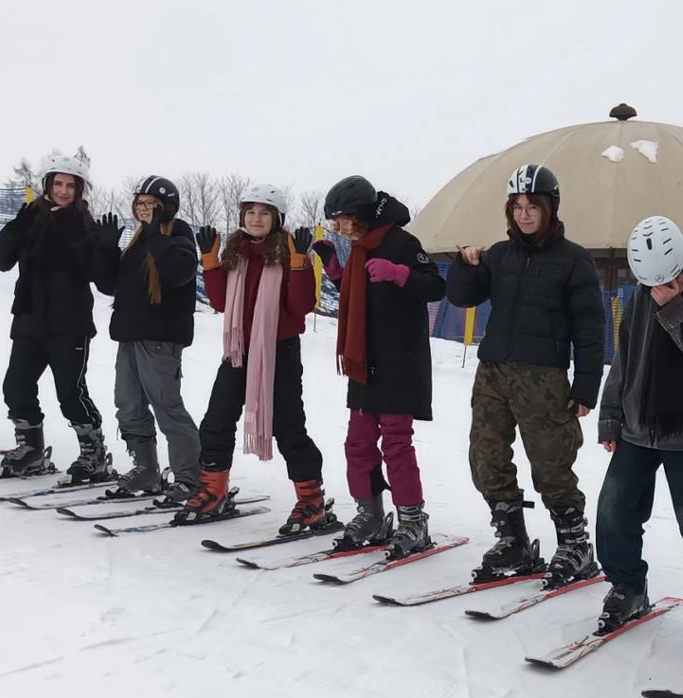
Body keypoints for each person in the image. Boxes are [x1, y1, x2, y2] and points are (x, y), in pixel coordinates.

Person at [447, 164, 604, 587]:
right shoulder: (499, 255)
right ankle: (513, 541)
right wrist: (465, 266)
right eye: (516, 207)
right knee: (486, 456)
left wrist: (586, 386)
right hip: (493, 373)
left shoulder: (574, 261)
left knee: (552, 462)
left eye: (533, 206)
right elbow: (461, 296)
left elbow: (591, 329)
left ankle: (575, 545)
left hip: (544, 378)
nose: (524, 214)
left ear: (550, 208)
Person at [594, 216, 683, 651]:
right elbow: (625, 360)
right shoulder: (641, 293)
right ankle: (628, 587)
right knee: (614, 511)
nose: (658, 288)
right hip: (637, 427)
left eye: (667, 280)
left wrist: (674, 308)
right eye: (652, 283)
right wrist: (611, 416)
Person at [177, 184, 335, 533]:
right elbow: (220, 302)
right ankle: (213, 490)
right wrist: (210, 262)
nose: (256, 218)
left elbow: (301, 306)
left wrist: (298, 264)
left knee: (288, 427)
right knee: (216, 420)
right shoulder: (236, 252)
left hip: (279, 351)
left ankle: (311, 499)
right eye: (250, 212)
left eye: (264, 213)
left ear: (277, 218)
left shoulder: (290, 252)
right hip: (238, 349)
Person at [310, 176, 445, 559]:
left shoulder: (403, 243)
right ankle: (369, 514)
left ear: (364, 213)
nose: (340, 228)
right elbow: (362, 296)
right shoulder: (360, 248)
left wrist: (400, 274)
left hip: (399, 361)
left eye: (344, 220)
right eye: (336, 222)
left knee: (396, 443)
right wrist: (337, 271)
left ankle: (413, 522)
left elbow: (435, 287)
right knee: (357, 442)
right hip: (364, 363)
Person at [0, 154, 113, 483]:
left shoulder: (86, 227)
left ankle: (94, 454)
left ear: (79, 190)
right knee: (16, 387)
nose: (63, 191)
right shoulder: (32, 221)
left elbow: (106, 283)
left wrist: (107, 249)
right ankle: (30, 450)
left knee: (70, 392)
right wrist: (17, 226)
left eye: (70, 185)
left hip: (70, 323)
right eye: (58, 184)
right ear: (48, 186)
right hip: (30, 317)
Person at [91, 176, 204, 503]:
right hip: (130, 336)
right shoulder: (139, 239)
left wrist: (155, 235)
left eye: (151, 204)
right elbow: (110, 286)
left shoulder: (179, 235)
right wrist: (106, 249)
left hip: (160, 339)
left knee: (168, 408)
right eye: (139, 203)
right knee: (128, 405)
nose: (143, 209)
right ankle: (146, 469)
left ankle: (190, 477)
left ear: (167, 207)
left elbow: (178, 274)